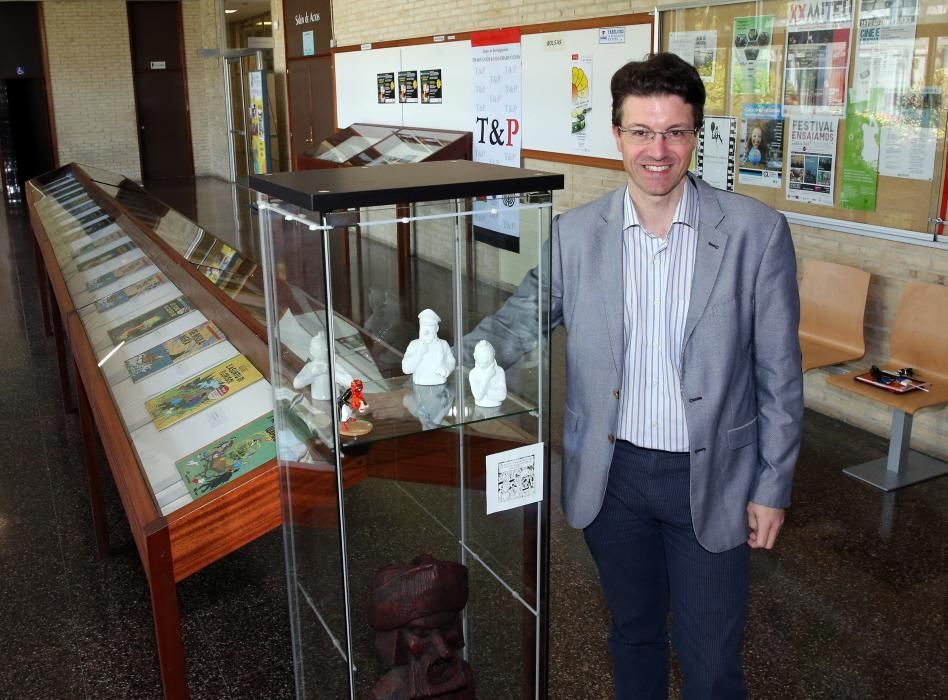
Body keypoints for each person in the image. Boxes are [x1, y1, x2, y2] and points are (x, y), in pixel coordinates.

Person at [465, 52, 803, 699]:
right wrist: (447, 370)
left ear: (695, 136)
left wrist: (773, 485)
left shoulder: (755, 235)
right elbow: (518, 320)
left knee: (709, 663)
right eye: (642, 131)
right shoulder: (577, 235)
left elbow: (781, 377)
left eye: (675, 131)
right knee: (634, 633)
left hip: (711, 479)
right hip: (611, 478)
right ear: (617, 136)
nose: (658, 150)